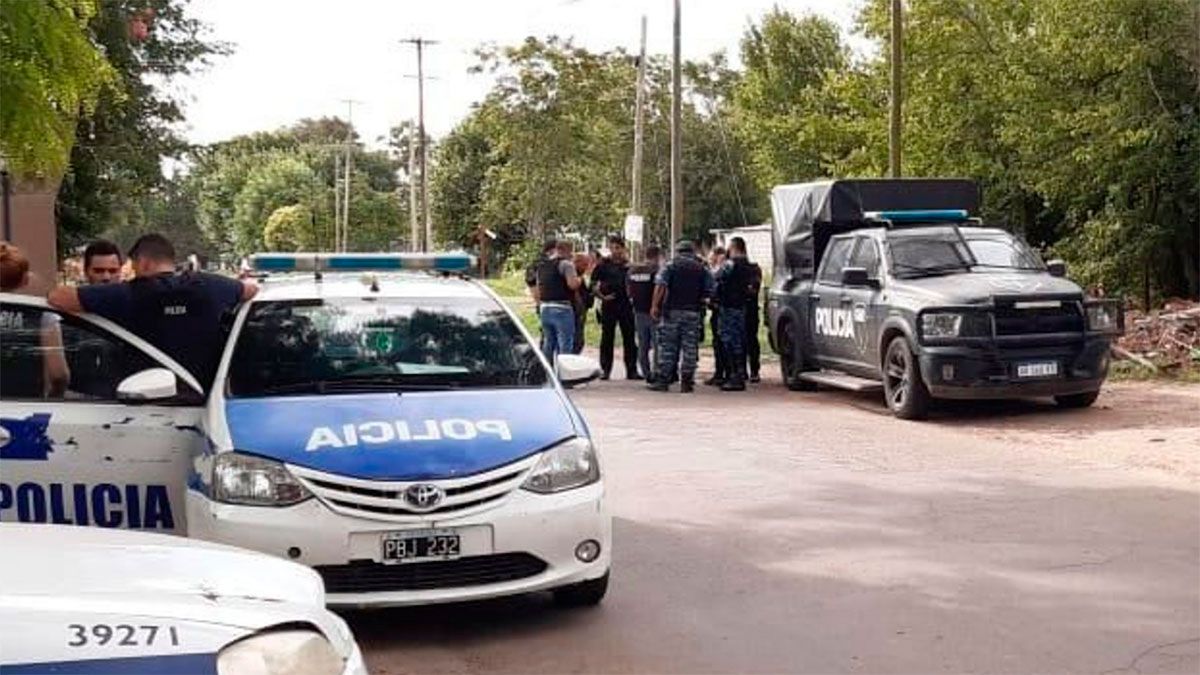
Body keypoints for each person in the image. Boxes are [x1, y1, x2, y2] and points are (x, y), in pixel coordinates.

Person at [47, 233, 257, 387]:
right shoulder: (211, 286)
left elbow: (57, 298)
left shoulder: (128, 295)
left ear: (144, 263)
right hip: (208, 396)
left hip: (146, 400)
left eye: (134, 267)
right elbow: (251, 290)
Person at [1, 242, 71, 398]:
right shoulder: (42, 315)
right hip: (24, 409)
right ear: (25, 280)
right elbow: (58, 375)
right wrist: (54, 399)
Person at [647, 240, 714, 393]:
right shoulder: (701, 268)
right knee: (690, 348)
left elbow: (660, 285)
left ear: (678, 251)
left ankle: (663, 380)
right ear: (692, 252)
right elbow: (711, 288)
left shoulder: (670, 266)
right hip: (693, 312)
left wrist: (655, 306)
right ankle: (687, 381)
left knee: (668, 347)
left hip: (672, 311)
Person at [592, 235, 639, 380]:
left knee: (629, 338)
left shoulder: (629, 266)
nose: (614, 251)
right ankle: (606, 370)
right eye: (612, 248)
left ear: (623, 249)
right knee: (607, 338)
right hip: (609, 304)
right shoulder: (603, 265)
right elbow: (593, 284)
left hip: (626, 305)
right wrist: (602, 296)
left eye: (617, 248)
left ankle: (632, 370)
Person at [714, 237, 755, 391]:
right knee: (739, 340)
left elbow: (717, 276)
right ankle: (740, 373)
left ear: (733, 247)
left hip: (729, 306)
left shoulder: (731, 264)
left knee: (729, 340)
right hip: (741, 306)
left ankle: (734, 376)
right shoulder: (748, 265)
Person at [531, 239, 581, 363]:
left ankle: (547, 373)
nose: (572, 255)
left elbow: (538, 287)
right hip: (562, 308)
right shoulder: (566, 264)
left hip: (545, 308)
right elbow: (572, 285)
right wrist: (580, 279)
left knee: (548, 343)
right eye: (571, 251)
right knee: (565, 344)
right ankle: (564, 375)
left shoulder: (541, 266)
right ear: (565, 250)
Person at [627, 244, 661, 380]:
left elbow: (628, 290)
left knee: (643, 344)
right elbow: (660, 289)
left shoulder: (632, 270)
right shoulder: (656, 270)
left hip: (638, 310)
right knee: (657, 343)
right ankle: (656, 372)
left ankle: (646, 372)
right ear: (657, 256)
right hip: (654, 311)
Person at [705, 246, 730, 386]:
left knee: (722, 343)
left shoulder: (722, 271)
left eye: (712, 256)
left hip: (721, 310)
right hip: (717, 310)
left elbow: (716, 289)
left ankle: (723, 373)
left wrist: (710, 300)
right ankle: (720, 373)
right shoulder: (717, 270)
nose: (710, 259)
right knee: (718, 343)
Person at [744, 244, 764, 383]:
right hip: (746, 309)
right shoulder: (752, 269)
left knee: (750, 341)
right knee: (744, 341)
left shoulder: (752, 269)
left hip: (749, 310)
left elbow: (753, 289)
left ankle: (754, 370)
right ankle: (744, 370)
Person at [571, 251, 594, 354]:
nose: (586, 267)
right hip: (575, 313)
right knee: (577, 342)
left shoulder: (581, 277)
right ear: (576, 262)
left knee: (579, 341)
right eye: (584, 264)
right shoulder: (573, 277)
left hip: (581, 312)